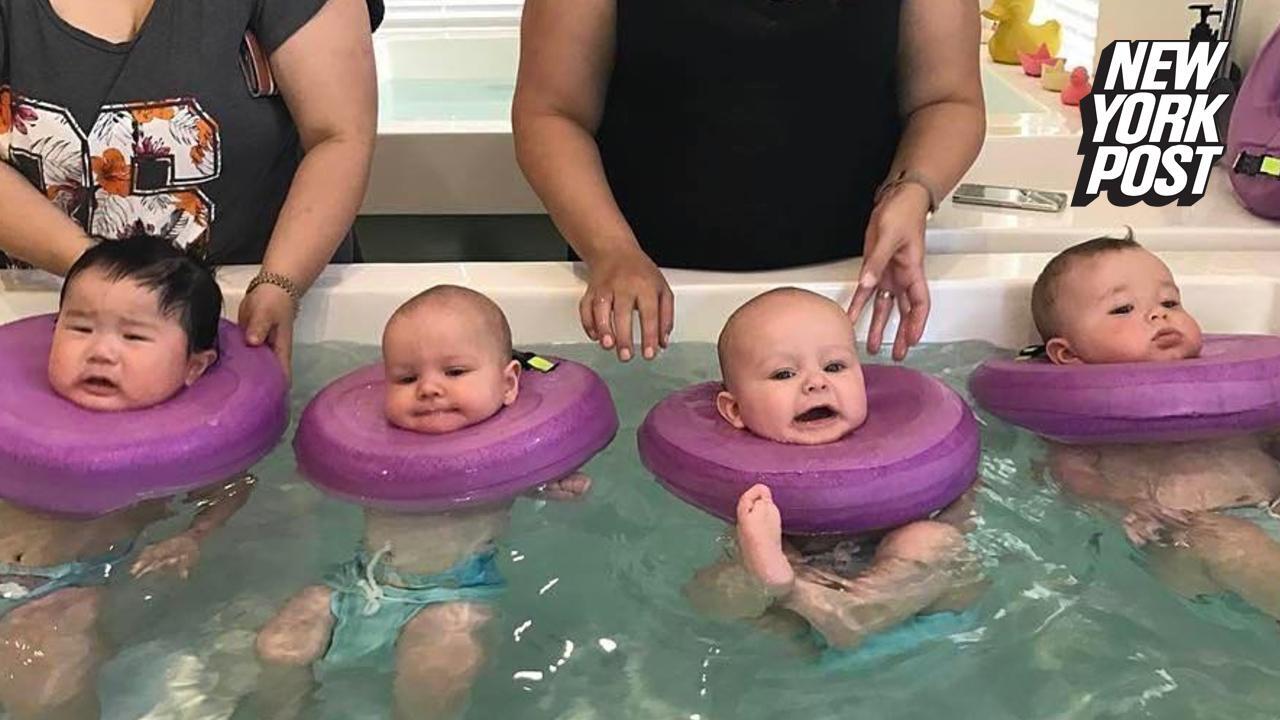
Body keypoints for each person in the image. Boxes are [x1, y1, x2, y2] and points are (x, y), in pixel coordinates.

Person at [512, 0, 985, 364]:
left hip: (846, 288)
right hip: (642, 288)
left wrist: (913, 190)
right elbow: (552, 113)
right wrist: (611, 250)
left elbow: (947, 100)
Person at [249, 286, 591, 720]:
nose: (429, 388)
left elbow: (531, 484)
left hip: (452, 591)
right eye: (407, 378)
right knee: (278, 646)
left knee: (437, 667)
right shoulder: (373, 456)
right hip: (357, 581)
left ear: (508, 384)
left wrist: (551, 486)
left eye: (455, 371)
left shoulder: (503, 460)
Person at [0, 0, 379, 378]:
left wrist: (280, 283)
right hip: (47, 306)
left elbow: (338, 137)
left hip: (260, 304)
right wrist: (109, 281)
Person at [0, 235, 255, 720]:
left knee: (42, 670)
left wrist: (194, 536)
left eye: (133, 337)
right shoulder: (11, 420)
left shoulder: (184, 446)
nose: (100, 352)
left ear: (194, 367)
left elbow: (234, 487)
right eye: (79, 328)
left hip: (75, 580)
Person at [684, 288, 982, 652]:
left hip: (917, 616)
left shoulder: (908, 455)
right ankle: (781, 584)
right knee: (718, 583)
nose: (816, 382)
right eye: (783, 373)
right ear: (735, 411)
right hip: (801, 630)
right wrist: (762, 573)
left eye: (835, 366)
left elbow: (961, 517)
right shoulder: (743, 483)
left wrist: (957, 481)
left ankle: (840, 607)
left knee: (934, 541)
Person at [1032, 234, 1280, 620]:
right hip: (1185, 544)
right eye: (1123, 308)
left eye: (1169, 302)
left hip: (1268, 513)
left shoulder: (1238, 398)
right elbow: (1075, 485)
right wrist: (1127, 505)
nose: (1158, 314)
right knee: (1229, 541)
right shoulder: (1081, 430)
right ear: (1069, 354)